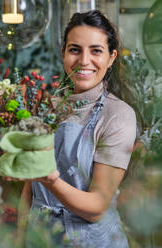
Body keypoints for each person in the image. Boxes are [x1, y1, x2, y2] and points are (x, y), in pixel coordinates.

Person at [16, 10, 136, 248]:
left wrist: (49, 179)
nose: (83, 61)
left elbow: (96, 208)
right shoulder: (46, 107)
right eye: (74, 49)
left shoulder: (118, 115)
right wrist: (18, 237)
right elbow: (29, 191)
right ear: (63, 53)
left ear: (111, 58)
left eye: (96, 51)